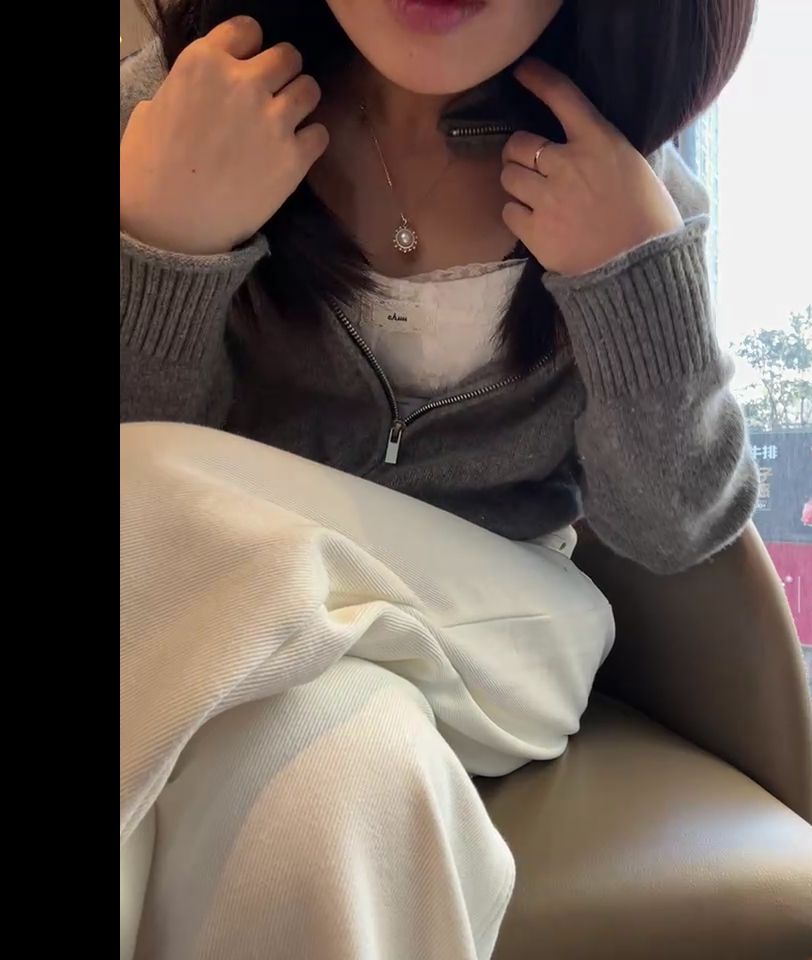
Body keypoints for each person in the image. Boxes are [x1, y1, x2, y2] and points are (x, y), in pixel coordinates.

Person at [119, 2, 758, 957]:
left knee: (137, 483)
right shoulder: (177, 111)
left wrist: (629, 279)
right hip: (229, 659)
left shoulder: (627, 177)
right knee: (335, 776)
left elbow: (674, 528)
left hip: (500, 642)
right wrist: (164, 242)